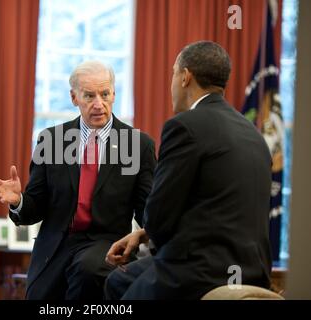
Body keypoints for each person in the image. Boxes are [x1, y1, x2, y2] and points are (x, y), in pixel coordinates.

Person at [104, 41, 273, 300]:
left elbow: (158, 217)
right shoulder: (252, 133)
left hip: (199, 272)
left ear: (185, 77)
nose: (171, 82)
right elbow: (216, 208)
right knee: (119, 281)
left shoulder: (185, 126)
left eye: (173, 73)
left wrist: (149, 229)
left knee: (117, 287)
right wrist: (143, 234)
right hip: (252, 270)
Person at [0, 61, 156, 300]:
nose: (99, 104)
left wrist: (159, 231)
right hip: (55, 247)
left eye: (105, 94)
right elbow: (33, 210)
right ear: (74, 97)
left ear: (114, 94)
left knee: (85, 272)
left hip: (104, 245)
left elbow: (147, 211)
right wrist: (18, 201)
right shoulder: (51, 140)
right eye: (89, 95)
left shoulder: (139, 145)